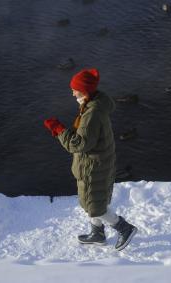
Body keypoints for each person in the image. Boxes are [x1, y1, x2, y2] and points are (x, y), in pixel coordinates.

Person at [43, 68, 137, 251]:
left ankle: (125, 229)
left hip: (93, 167)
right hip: (97, 163)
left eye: (74, 89)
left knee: (96, 206)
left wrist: (59, 130)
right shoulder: (93, 103)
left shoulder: (92, 113)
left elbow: (78, 145)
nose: (72, 93)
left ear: (84, 91)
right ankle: (97, 233)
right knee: (92, 201)